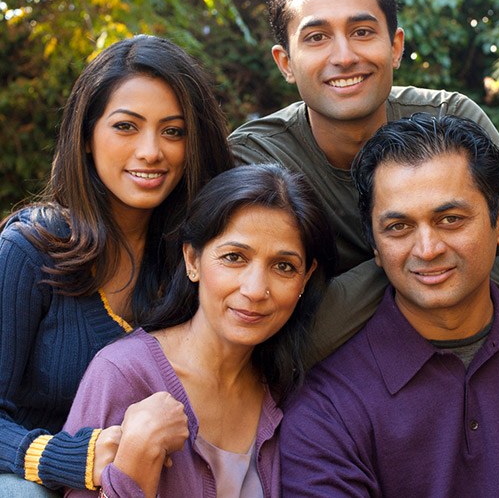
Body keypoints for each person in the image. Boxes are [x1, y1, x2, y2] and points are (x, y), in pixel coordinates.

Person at [228, 0, 499, 359]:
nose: (344, 57)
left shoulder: (449, 123)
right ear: (286, 62)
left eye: (362, 31)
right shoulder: (256, 158)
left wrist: (399, 267)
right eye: (317, 37)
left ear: (395, 46)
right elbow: (278, 340)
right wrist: (413, 268)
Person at [279, 114, 499, 497]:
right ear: (374, 245)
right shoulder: (328, 405)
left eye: (451, 219)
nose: (428, 249)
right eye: (399, 227)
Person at [0, 35, 235, 496]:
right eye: (126, 127)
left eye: (173, 131)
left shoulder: (192, 260)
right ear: (86, 136)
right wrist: (69, 457)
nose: (151, 151)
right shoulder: (30, 249)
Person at [62, 163, 336, 497]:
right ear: (192, 260)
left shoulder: (286, 391)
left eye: (283, 266)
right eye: (234, 257)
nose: (254, 289)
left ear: (305, 279)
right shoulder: (123, 374)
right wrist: (135, 455)